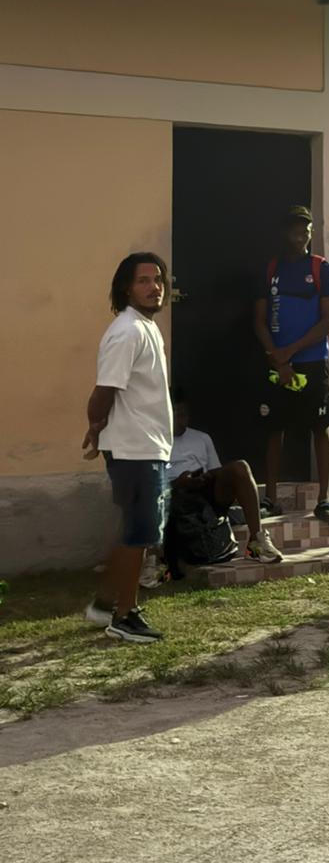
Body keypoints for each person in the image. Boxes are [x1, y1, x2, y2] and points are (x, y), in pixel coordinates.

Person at [82, 253, 173, 644]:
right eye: (143, 281)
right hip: (134, 448)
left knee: (132, 530)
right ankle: (124, 616)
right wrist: (95, 426)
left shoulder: (146, 327)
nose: (154, 287)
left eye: (158, 280)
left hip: (146, 446)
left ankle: (104, 603)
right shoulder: (128, 331)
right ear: (126, 288)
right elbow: (105, 390)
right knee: (140, 533)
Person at [254, 206, 329, 522]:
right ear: (284, 232)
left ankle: (325, 498)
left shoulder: (322, 269)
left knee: (320, 426)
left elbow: (328, 321)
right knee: (275, 428)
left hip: (313, 362)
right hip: (278, 364)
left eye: (306, 228)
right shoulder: (271, 270)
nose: (301, 234)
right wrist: (276, 356)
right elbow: (259, 320)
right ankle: (271, 498)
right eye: (295, 228)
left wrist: (289, 352)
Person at [165, 396, 282, 564]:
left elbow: (215, 470)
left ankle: (257, 539)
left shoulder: (201, 438)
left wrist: (205, 477)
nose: (179, 419)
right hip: (176, 495)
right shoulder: (156, 441)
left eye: (182, 415)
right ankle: (156, 559)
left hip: (204, 490)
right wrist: (179, 482)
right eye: (175, 415)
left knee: (240, 467)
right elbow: (152, 483)